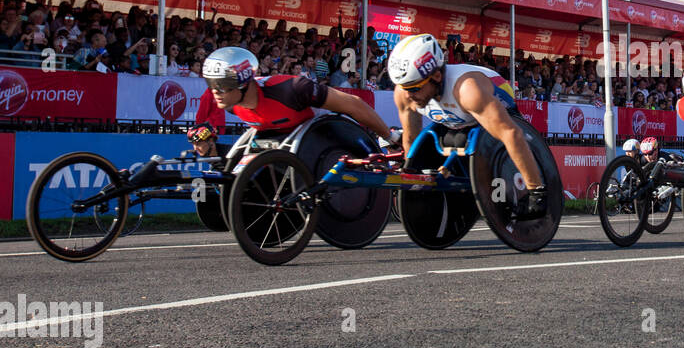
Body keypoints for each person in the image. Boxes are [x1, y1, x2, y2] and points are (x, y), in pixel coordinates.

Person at [388, 33, 548, 220]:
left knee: (491, 142)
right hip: (457, 118)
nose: (408, 96)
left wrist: (536, 193)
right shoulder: (404, 92)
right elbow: (411, 139)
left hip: (493, 103)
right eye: (404, 88)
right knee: (450, 140)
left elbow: (512, 134)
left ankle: (533, 185)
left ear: (437, 76)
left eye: (414, 88)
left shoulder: (467, 90)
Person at [203, 46, 391, 143]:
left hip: (326, 138)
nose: (215, 92)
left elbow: (353, 104)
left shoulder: (292, 88)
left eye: (222, 86)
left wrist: (390, 137)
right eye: (211, 85)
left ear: (243, 83)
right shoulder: (232, 106)